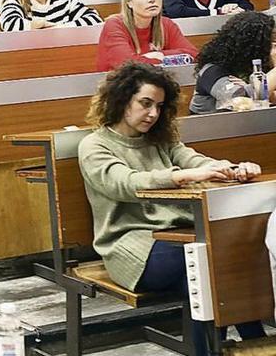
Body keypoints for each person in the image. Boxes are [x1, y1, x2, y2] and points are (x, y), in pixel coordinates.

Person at [78, 62, 265, 356]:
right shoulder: (94, 145)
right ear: (121, 98)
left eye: (159, 106)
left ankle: (240, 347)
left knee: (208, 268)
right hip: (131, 245)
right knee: (205, 263)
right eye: (145, 103)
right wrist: (180, 176)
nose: (153, 113)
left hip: (179, 238)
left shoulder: (160, 139)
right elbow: (124, 183)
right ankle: (244, 344)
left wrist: (230, 169)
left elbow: (194, 160)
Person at [96, 0, 198, 71]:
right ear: (129, 2)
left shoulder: (166, 24)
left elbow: (194, 54)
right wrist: (166, 59)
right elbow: (128, 66)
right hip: (122, 85)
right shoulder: (114, 25)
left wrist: (160, 55)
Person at [190, 12, 276, 114]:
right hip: (212, 127)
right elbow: (241, 102)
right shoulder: (211, 71)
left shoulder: (260, 67)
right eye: (271, 42)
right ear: (252, 45)